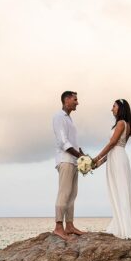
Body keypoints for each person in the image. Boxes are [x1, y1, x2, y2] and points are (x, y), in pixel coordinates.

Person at [92, 99, 131, 239]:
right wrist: (99, 163)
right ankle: (122, 223)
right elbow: (117, 147)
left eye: (114, 106)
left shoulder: (121, 123)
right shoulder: (128, 125)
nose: (112, 109)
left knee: (120, 190)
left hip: (117, 159)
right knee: (119, 189)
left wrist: (96, 157)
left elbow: (112, 143)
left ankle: (124, 228)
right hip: (118, 157)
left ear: (120, 108)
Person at [52, 91, 87, 241]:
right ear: (66, 100)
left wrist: (82, 155)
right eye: (75, 99)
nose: (77, 102)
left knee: (72, 194)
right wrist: (79, 155)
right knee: (64, 193)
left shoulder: (70, 120)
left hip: (73, 161)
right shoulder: (59, 117)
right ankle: (58, 227)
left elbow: (73, 143)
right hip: (65, 159)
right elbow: (63, 141)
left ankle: (70, 225)